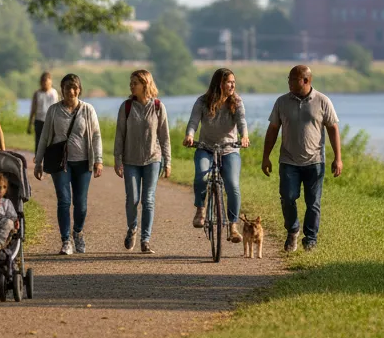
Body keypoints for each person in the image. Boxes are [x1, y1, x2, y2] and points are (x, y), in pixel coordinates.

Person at [261, 65, 342, 253]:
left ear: (305, 81)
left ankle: (310, 239)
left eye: (292, 79)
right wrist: (266, 157)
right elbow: (273, 130)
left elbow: (333, 129)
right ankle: (293, 230)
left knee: (313, 202)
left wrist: (338, 158)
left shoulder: (323, 101)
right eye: (288, 79)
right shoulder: (281, 102)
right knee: (288, 198)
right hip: (288, 161)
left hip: (315, 161)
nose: (289, 82)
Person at [33, 73, 103, 255]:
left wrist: (99, 160)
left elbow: (96, 136)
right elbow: (45, 137)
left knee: (81, 204)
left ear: (79, 89)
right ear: (62, 90)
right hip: (60, 163)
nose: (71, 91)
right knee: (64, 201)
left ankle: (78, 232)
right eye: (67, 88)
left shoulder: (88, 110)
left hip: (83, 162)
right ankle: (66, 240)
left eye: (74, 88)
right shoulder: (54, 110)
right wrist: (39, 161)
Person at [184, 67, 249, 243]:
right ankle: (201, 209)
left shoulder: (236, 101)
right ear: (219, 84)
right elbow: (193, 121)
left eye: (234, 82)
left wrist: (244, 136)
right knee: (201, 176)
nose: (233, 85)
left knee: (233, 186)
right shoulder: (202, 101)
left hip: (229, 150)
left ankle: (233, 227)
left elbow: (241, 121)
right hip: (205, 148)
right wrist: (190, 135)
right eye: (229, 82)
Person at [113, 69, 171, 254]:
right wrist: (117, 159)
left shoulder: (158, 107)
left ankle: (146, 240)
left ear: (145, 84)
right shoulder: (126, 106)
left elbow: (165, 137)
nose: (131, 85)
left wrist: (168, 161)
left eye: (135, 82)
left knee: (148, 200)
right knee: (132, 199)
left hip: (153, 159)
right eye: (131, 82)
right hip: (130, 160)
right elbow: (120, 134)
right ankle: (132, 228)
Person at [27, 71, 59, 151]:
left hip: (52, 121)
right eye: (43, 82)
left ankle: (49, 161)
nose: (45, 84)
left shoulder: (54, 93)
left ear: (50, 81)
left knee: (51, 143)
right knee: (39, 143)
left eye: (47, 82)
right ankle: (38, 161)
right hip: (39, 121)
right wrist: (30, 123)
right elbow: (33, 109)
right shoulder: (37, 93)